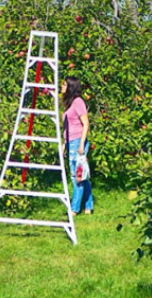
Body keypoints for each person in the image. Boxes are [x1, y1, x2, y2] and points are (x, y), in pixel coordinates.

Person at [61, 76, 92, 216]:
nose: (61, 87)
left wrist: (81, 145)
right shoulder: (69, 104)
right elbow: (67, 128)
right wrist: (64, 144)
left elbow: (85, 123)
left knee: (77, 176)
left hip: (78, 141)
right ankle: (88, 206)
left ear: (70, 87)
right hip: (70, 142)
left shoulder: (78, 102)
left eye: (64, 85)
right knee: (81, 175)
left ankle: (74, 209)